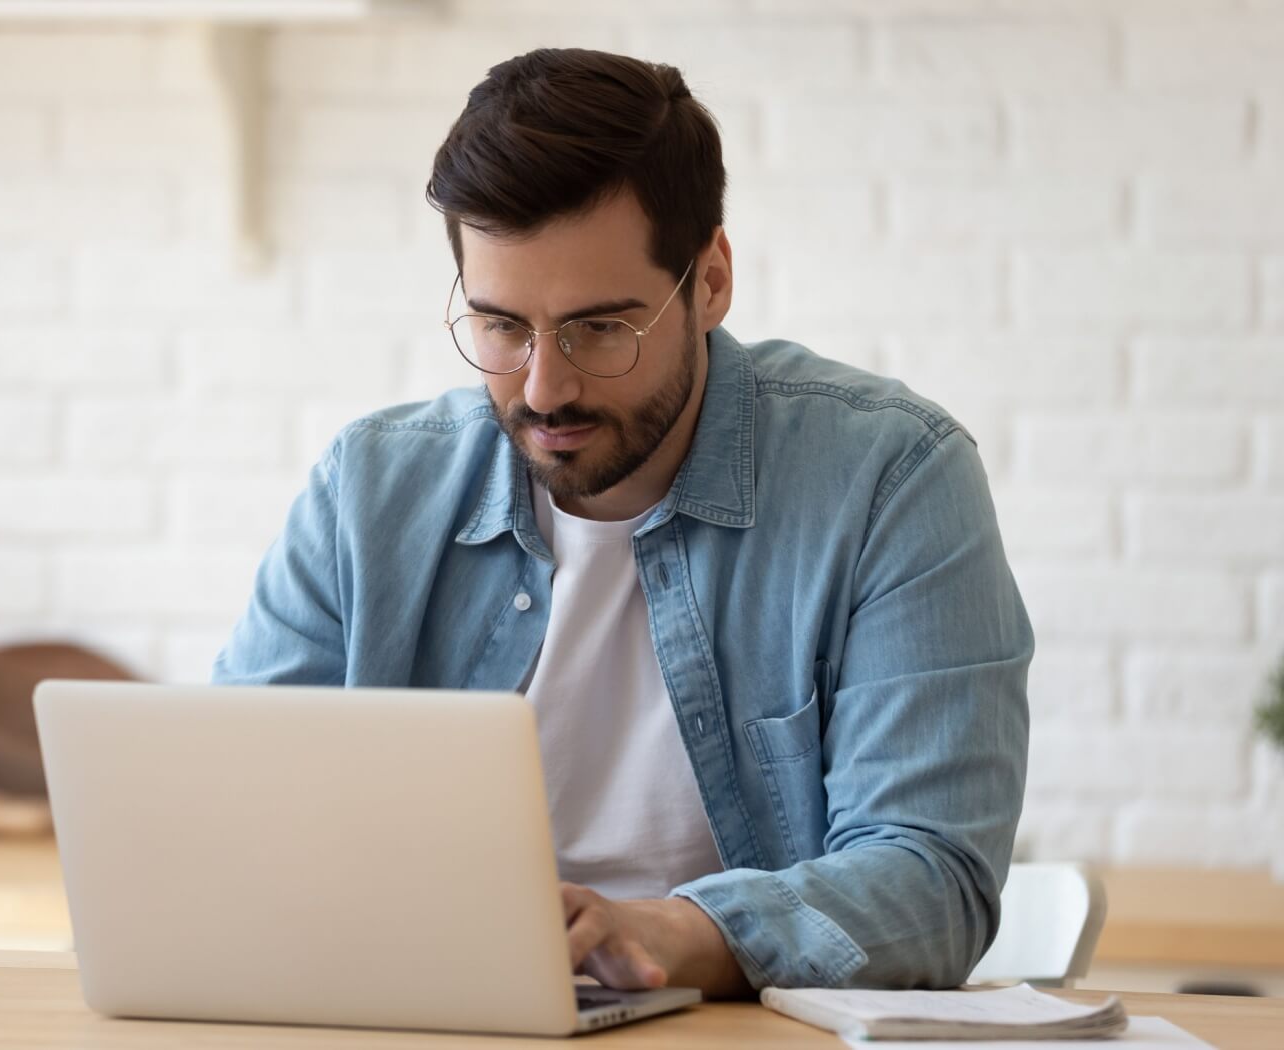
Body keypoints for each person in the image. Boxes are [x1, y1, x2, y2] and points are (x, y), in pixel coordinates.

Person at [213, 47, 1031, 997]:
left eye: (602, 328)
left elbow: (933, 882)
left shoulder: (890, 478)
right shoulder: (368, 492)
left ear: (711, 281)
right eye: (502, 327)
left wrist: (669, 931)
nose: (544, 386)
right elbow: (235, 820)